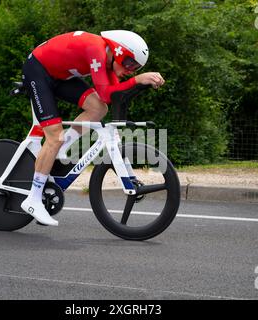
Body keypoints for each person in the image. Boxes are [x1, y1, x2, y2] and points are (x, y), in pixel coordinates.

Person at [20, 30, 165, 226]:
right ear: (118, 51)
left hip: (59, 76)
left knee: (98, 108)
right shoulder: (95, 49)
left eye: (135, 68)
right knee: (54, 137)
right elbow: (106, 93)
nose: (130, 71)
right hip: (38, 71)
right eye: (130, 64)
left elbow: (113, 98)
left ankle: (62, 149)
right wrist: (138, 80)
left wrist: (139, 84)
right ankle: (33, 199)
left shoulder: (109, 60)